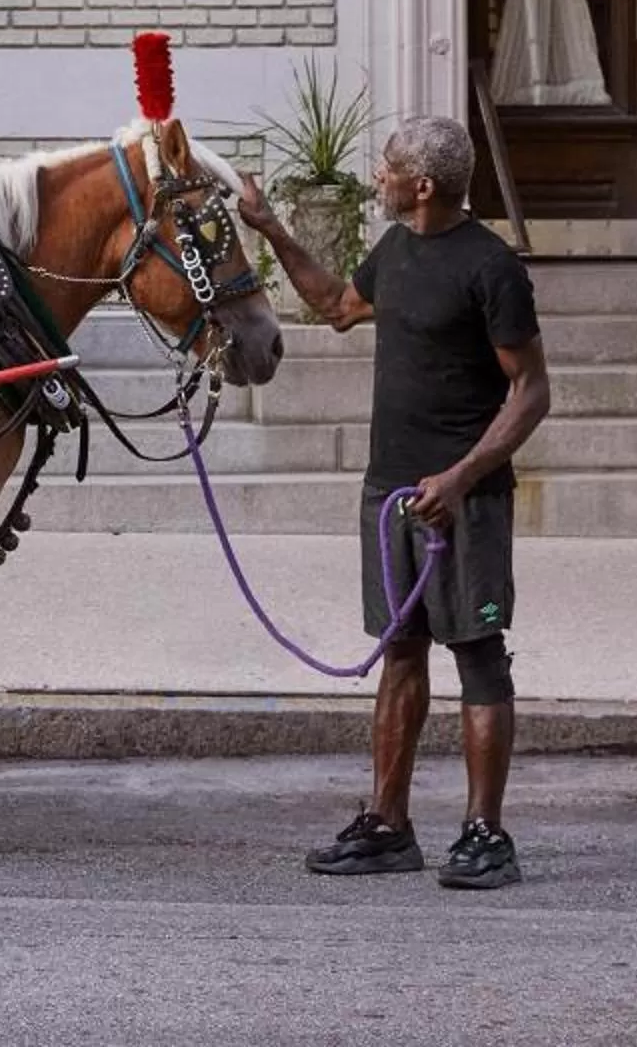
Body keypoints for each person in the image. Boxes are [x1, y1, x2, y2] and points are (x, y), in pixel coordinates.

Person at [236, 114, 551, 891]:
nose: (375, 176)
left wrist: (463, 477)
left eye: (385, 168)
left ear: (423, 185)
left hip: (463, 501)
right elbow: (337, 306)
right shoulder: (397, 251)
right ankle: (388, 825)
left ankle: (485, 835)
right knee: (401, 649)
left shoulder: (491, 267)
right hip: (392, 494)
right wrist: (270, 227)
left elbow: (532, 391)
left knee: (477, 654)